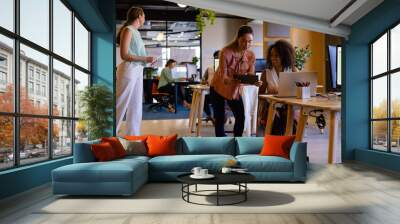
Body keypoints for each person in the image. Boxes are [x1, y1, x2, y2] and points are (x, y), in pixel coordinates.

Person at [210, 25, 261, 137]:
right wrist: (239, 79)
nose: (247, 45)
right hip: (218, 87)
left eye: (250, 41)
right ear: (238, 38)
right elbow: (224, 78)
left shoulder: (251, 55)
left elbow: (251, 75)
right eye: (244, 41)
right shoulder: (226, 52)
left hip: (233, 89)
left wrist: (254, 82)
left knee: (241, 116)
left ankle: (236, 140)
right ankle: (222, 142)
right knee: (220, 117)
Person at [116, 7, 155, 135]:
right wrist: (145, 58)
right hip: (129, 69)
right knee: (120, 104)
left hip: (138, 69)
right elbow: (124, 55)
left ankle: (133, 137)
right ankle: (109, 134)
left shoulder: (136, 32)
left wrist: (146, 60)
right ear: (139, 16)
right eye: (144, 15)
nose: (145, 18)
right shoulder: (128, 30)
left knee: (136, 106)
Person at [258, 40, 297, 135]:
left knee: (292, 125)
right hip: (271, 106)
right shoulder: (266, 73)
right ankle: (276, 146)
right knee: (276, 125)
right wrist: (271, 94)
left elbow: (298, 91)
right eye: (271, 55)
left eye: (276, 56)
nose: (273, 58)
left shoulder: (292, 70)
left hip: (288, 106)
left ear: (284, 56)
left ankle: (289, 146)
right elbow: (260, 95)